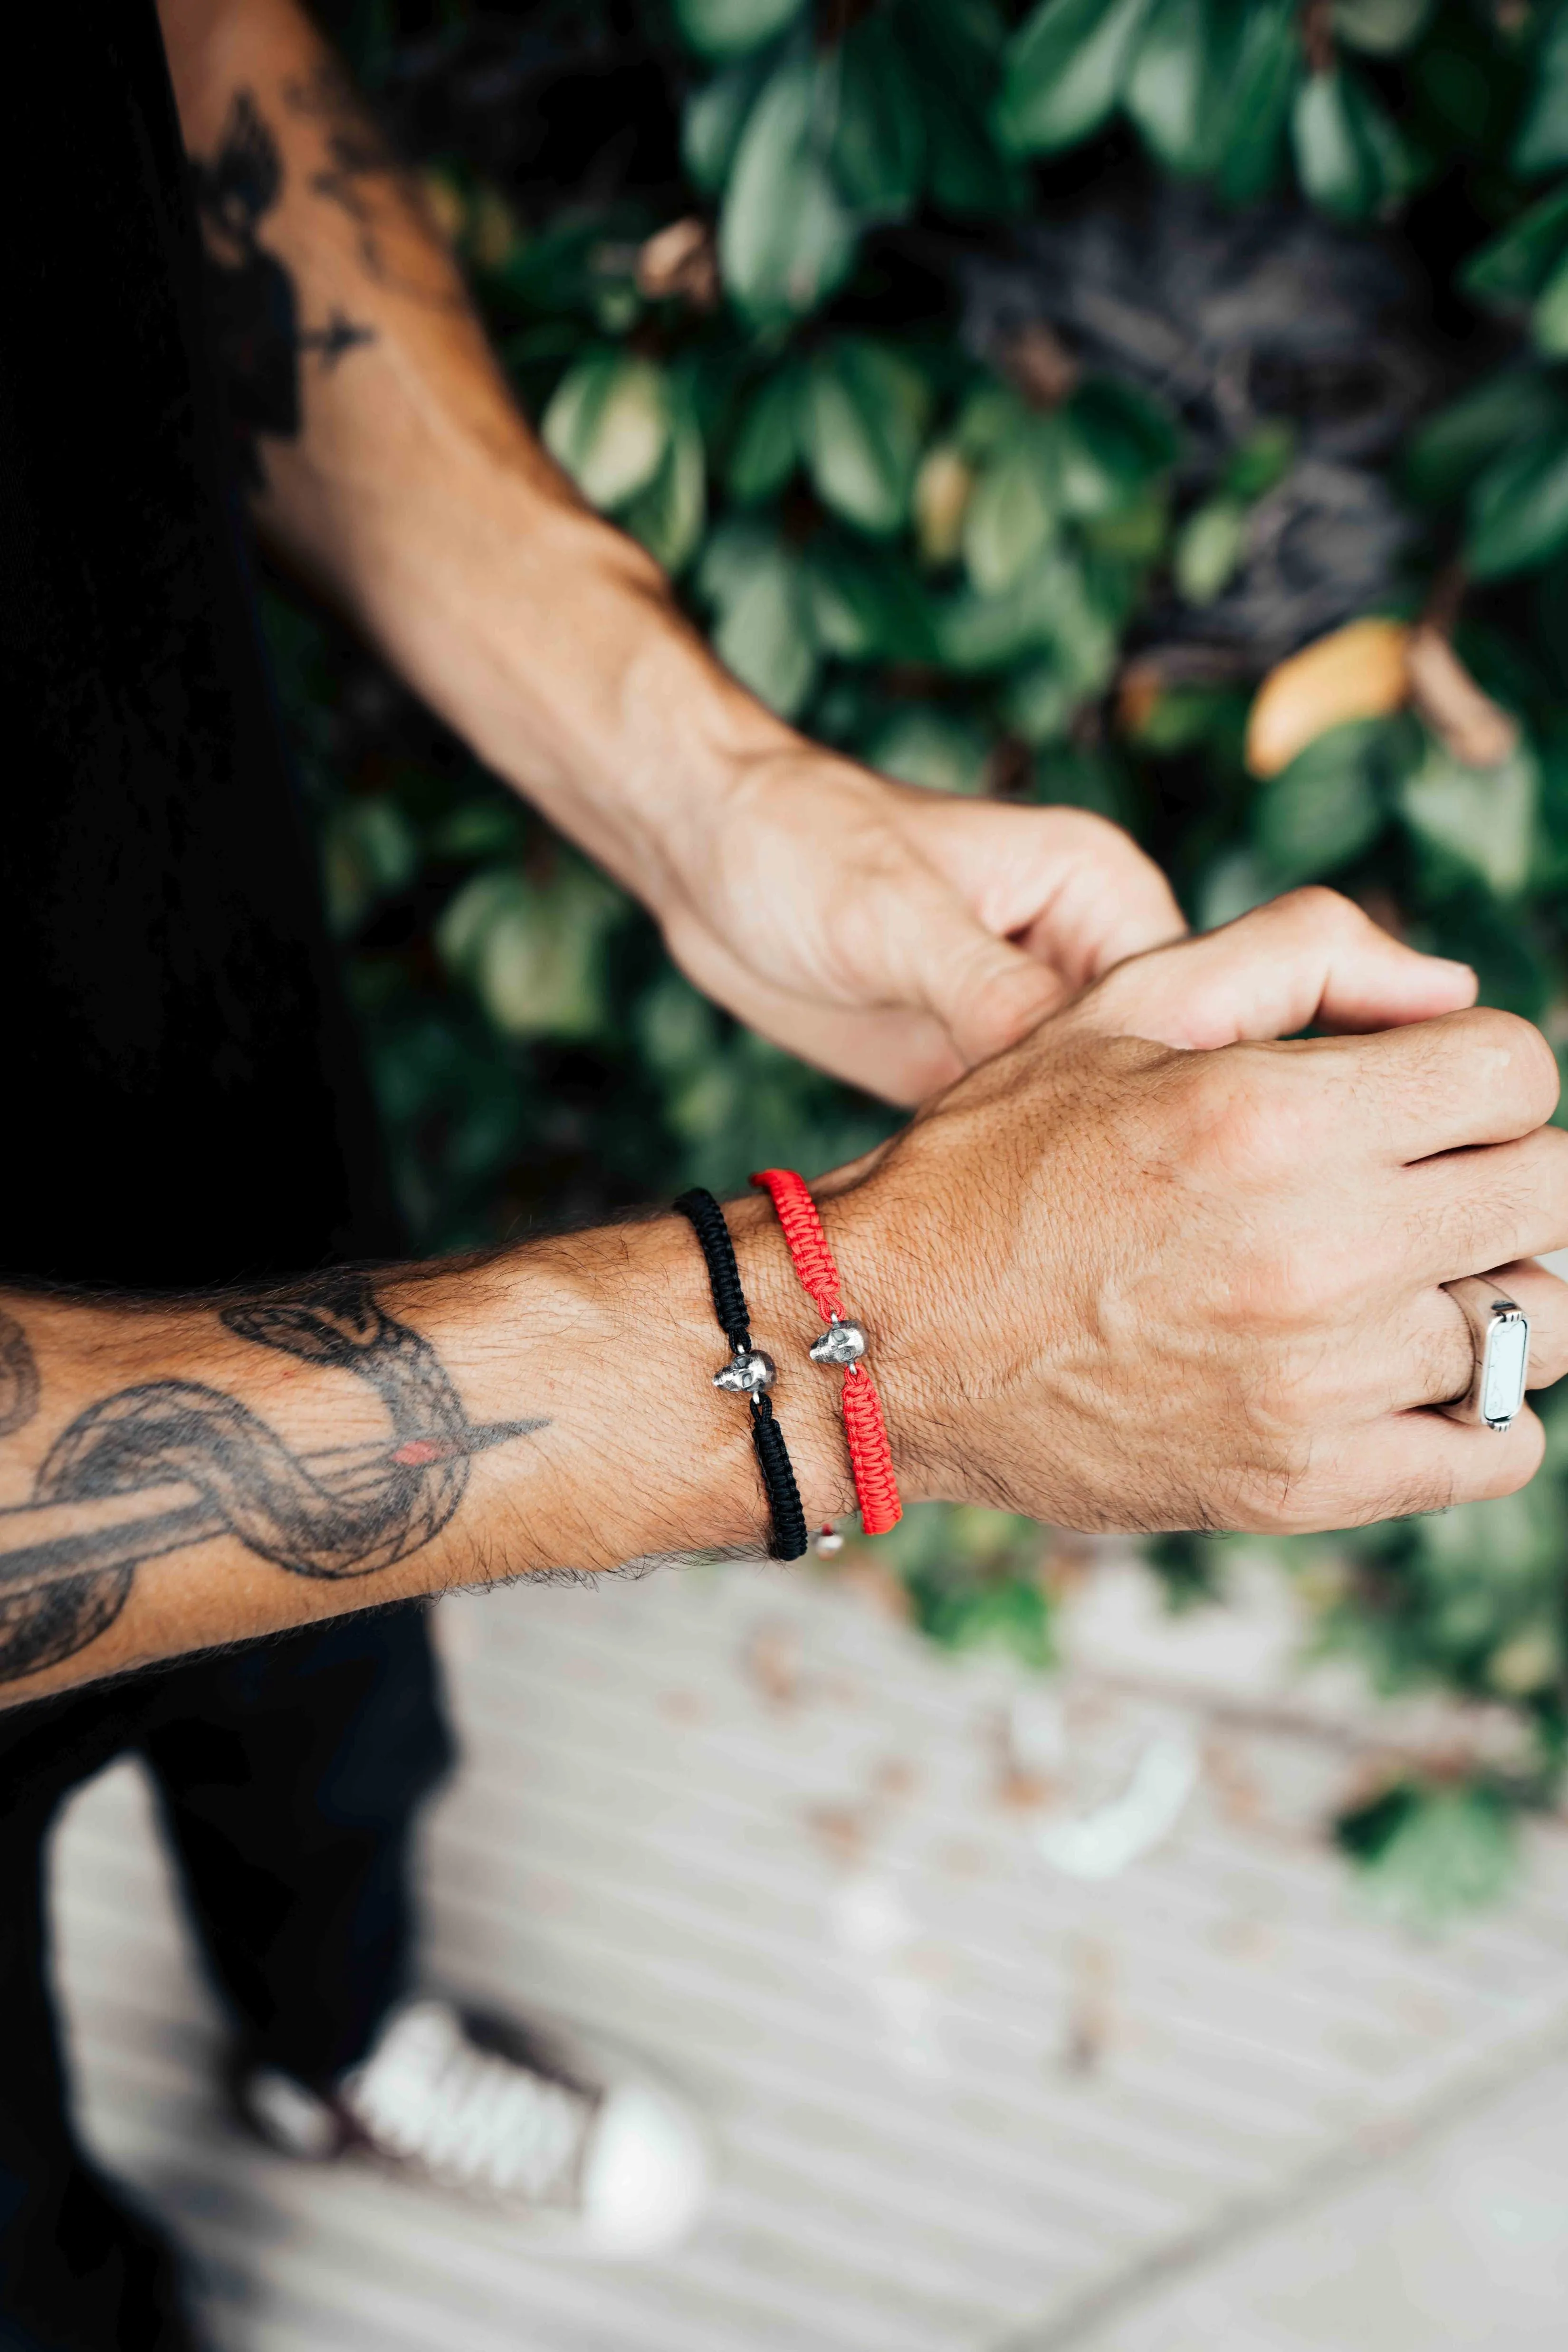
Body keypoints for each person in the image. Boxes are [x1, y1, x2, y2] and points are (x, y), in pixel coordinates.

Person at [4, 0, 1567, 2344]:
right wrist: (852, 1348)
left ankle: (335, 2048)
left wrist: (710, 793)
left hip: (205, 1072)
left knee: (332, 1751)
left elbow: (177, 88)